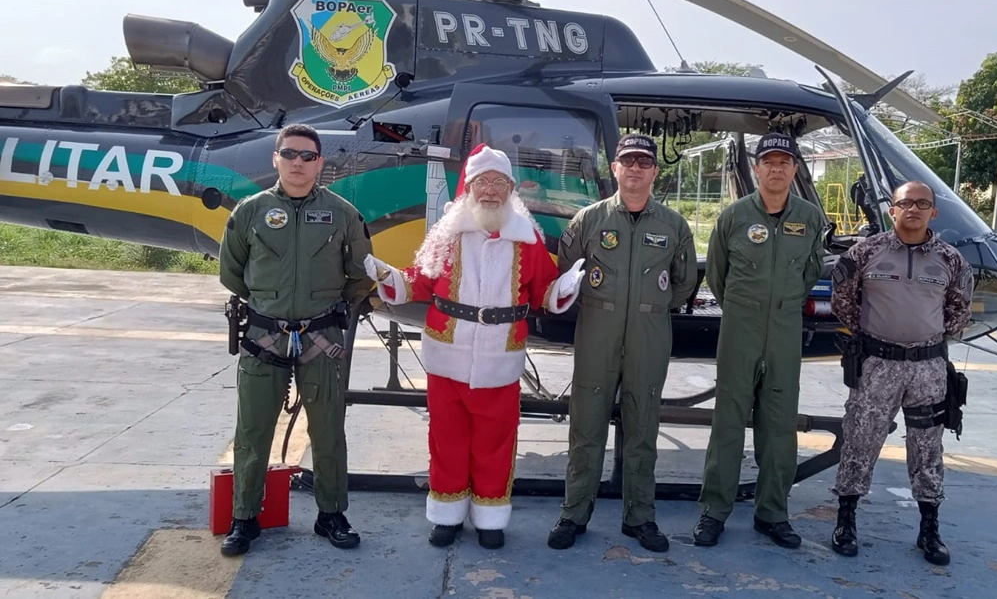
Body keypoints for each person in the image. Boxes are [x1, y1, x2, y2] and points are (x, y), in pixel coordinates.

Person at [364, 144, 585, 549]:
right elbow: (420, 279)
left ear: (510, 189)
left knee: (496, 440)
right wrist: (390, 277)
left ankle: (490, 517)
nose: (490, 190)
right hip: (447, 354)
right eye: (482, 181)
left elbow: (543, 291)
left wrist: (564, 289)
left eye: (499, 182)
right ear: (468, 185)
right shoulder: (447, 232)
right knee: (447, 437)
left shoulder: (528, 238)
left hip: (500, 357)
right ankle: (447, 514)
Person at [217, 123, 374, 556]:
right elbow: (231, 271)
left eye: (308, 156)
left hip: (322, 337)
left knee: (328, 431)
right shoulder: (249, 212)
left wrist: (325, 312)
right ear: (275, 159)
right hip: (263, 337)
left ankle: (331, 514)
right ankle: (244, 518)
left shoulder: (343, 214)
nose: (298, 163)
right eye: (290, 154)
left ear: (320, 162)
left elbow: (360, 275)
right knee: (252, 431)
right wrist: (270, 305)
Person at [546, 133, 697, 553]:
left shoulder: (673, 225)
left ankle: (640, 517)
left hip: (650, 333)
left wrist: (649, 306)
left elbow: (683, 285)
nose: (634, 168)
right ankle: (574, 513)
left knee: (643, 426)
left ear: (654, 171)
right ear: (614, 168)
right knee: (586, 426)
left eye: (643, 163)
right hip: (597, 330)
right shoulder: (589, 220)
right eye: (627, 161)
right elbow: (568, 272)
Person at [828, 180, 975, 565]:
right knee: (860, 440)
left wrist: (925, 339)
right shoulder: (866, 253)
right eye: (905, 203)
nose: (913, 209)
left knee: (928, 448)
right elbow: (843, 299)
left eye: (921, 203)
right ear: (892, 209)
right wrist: (874, 336)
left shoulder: (951, 260)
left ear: (933, 212)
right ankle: (846, 521)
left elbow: (959, 311)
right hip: (877, 364)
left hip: (928, 369)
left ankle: (929, 529)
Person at [691, 132, 825, 549]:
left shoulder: (810, 218)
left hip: (784, 331)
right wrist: (748, 306)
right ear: (756, 168)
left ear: (795, 169)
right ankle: (714, 511)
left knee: (780, 426)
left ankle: (773, 513)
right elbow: (718, 273)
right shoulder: (733, 217)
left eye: (785, 162)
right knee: (728, 422)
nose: (777, 169)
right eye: (769, 162)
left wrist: (781, 305)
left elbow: (811, 272)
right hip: (740, 329)